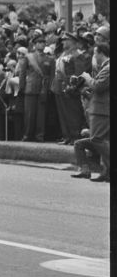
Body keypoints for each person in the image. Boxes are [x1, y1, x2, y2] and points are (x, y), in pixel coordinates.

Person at [71, 38, 110, 182]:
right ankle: (104, 172)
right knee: (96, 141)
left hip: (102, 111)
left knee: (97, 140)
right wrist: (81, 89)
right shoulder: (104, 68)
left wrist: (87, 78)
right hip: (99, 109)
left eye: (95, 53)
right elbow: (96, 92)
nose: (94, 57)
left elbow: (99, 86)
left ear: (101, 53)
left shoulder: (108, 68)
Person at [52, 32, 89, 145]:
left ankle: (75, 136)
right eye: (63, 40)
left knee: (73, 113)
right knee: (63, 113)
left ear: (73, 42)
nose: (63, 42)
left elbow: (78, 73)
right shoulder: (63, 53)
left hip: (70, 87)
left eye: (66, 40)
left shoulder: (77, 54)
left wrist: (71, 84)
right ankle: (67, 136)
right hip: (59, 86)